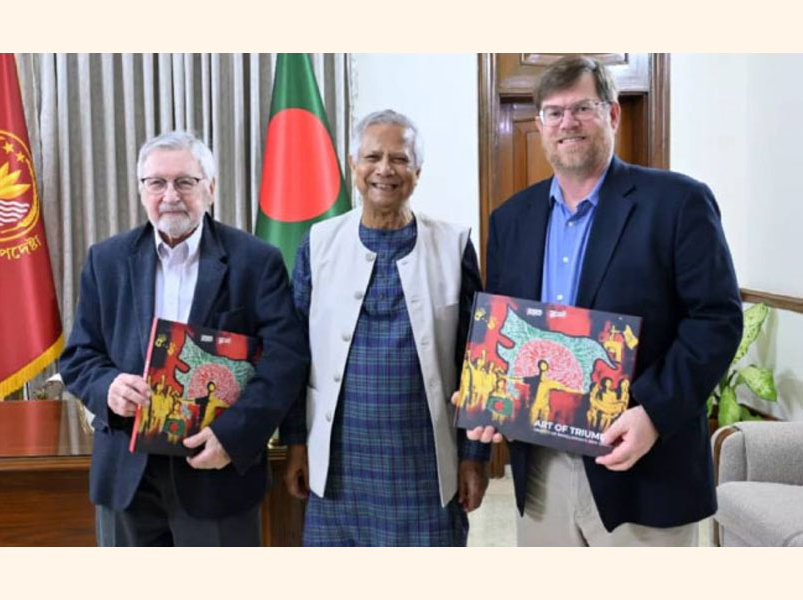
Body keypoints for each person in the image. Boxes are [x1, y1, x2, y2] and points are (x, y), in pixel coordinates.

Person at [466, 56, 743, 546]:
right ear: (541, 124)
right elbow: (505, 327)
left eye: (582, 108)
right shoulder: (511, 219)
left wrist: (653, 414)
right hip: (542, 471)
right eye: (553, 112)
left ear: (612, 115)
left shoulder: (678, 202)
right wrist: (492, 401)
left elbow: (716, 320)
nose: (566, 123)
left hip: (643, 468)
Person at [59, 131, 308, 546]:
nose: (169, 194)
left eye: (185, 182)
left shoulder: (256, 261)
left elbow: (285, 361)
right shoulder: (106, 260)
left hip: (217, 470)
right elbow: (80, 355)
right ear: (141, 191)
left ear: (210, 188)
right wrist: (108, 388)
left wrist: (233, 436)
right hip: (127, 474)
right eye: (156, 182)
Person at [280, 109, 490, 546]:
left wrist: (475, 456)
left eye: (399, 158)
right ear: (352, 165)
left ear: (418, 170)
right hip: (339, 464)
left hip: (426, 463)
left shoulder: (452, 245)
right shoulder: (318, 243)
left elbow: (476, 362)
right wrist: (295, 443)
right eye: (372, 156)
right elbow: (293, 353)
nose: (385, 169)